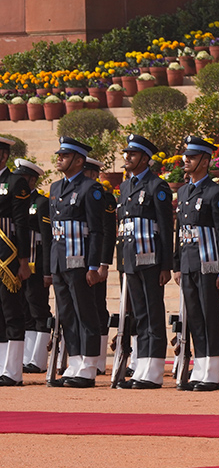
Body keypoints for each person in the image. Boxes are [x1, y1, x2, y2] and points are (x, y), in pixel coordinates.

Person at [173, 136, 219, 392]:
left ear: (206, 161)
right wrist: (176, 264)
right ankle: (199, 369)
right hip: (188, 263)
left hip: (208, 264)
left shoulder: (216, 193)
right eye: (187, 156)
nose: (187, 160)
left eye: (193, 157)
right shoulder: (184, 191)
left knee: (210, 316)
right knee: (195, 317)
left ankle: (213, 372)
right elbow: (180, 231)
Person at [116, 134, 174, 389]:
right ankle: (142, 366)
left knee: (152, 313)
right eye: (126, 153)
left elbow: (165, 226)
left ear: (145, 159)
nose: (127, 157)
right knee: (139, 314)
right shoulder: (126, 186)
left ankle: (154, 370)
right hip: (131, 258)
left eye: (132, 154)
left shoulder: (157, 186)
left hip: (151, 259)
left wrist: (165, 265)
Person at [48, 137, 104, 388]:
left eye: (65, 155)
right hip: (59, 260)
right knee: (67, 315)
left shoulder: (90, 188)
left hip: (80, 260)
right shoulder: (55, 188)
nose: (59, 158)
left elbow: (96, 230)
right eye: (59, 154)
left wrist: (94, 265)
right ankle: (75, 363)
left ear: (79, 160)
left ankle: (89, 365)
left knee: (85, 313)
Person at [0, 137, 32, 386]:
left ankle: (13, 371)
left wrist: (24, 260)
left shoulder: (15, 182)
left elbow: (22, 224)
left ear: (3, 156)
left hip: (8, 258)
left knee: (12, 312)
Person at [15, 159, 51, 375]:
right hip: (20, 265)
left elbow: (47, 240)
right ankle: (28, 357)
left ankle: (39, 359)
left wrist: (48, 270)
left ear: (32, 180)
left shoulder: (41, 202)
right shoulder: (17, 201)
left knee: (38, 308)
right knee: (24, 310)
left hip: (37, 265)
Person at [81, 157, 116, 376]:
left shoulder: (105, 198)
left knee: (96, 308)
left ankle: (99, 360)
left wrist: (103, 264)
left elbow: (107, 232)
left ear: (94, 175)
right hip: (76, 261)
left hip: (96, 262)